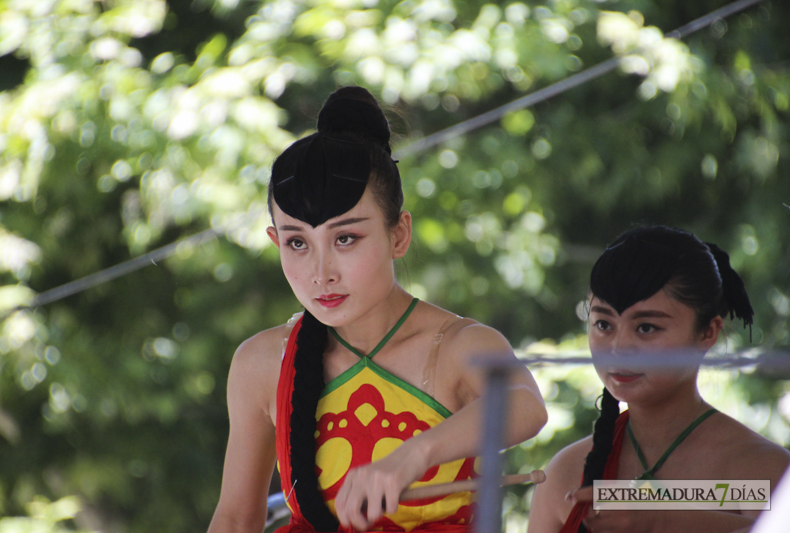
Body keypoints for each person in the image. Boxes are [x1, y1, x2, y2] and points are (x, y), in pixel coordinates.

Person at [207, 86, 548, 533]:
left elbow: (525, 406)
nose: (320, 272)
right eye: (297, 243)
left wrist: (412, 455)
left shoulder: (459, 346)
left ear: (398, 235)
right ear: (276, 243)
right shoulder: (261, 363)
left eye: (345, 238)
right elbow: (235, 519)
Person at [527, 225, 790, 533]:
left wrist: (663, 519)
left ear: (708, 332)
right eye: (602, 323)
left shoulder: (760, 470)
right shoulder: (567, 473)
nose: (618, 348)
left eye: (647, 327)